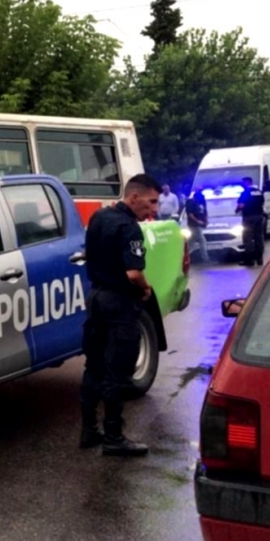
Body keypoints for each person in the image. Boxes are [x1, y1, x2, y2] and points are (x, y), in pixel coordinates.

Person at [79, 173, 161, 457]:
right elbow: (134, 272)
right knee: (118, 372)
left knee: (94, 366)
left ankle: (89, 430)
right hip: (118, 304)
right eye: (151, 202)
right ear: (134, 196)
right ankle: (114, 436)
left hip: (96, 299)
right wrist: (146, 288)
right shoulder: (130, 228)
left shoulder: (100, 217)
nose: (154, 209)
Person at [236, 177, 265, 267]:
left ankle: (250, 260)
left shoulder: (245, 193)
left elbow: (241, 205)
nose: (242, 184)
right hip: (259, 216)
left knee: (247, 238)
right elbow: (262, 202)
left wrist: (237, 210)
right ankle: (259, 259)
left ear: (246, 183)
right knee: (258, 237)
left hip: (249, 217)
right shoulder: (259, 192)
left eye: (243, 182)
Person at [185, 186, 209, 264]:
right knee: (202, 241)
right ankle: (206, 259)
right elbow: (190, 214)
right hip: (194, 225)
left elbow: (204, 211)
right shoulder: (190, 202)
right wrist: (198, 221)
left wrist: (205, 220)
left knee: (191, 242)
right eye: (199, 191)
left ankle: (183, 257)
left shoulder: (202, 201)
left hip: (200, 225)